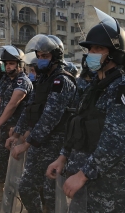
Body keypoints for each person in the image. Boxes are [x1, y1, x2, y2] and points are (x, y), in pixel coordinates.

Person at [46, 7, 125, 212]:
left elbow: (116, 142)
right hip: (82, 178)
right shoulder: (92, 87)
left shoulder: (124, 89)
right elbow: (77, 126)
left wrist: (83, 175)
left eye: (98, 49)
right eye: (90, 50)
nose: (91, 54)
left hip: (108, 185)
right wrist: (63, 157)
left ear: (114, 54)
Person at [9, 34, 76, 212]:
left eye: (45, 56)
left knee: (50, 194)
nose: (40, 60)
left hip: (55, 144)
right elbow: (30, 108)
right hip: (38, 143)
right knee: (27, 188)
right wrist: (17, 133)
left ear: (56, 56)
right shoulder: (42, 79)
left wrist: (25, 144)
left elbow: (50, 117)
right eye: (38, 56)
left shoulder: (62, 80)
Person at [0, 46, 32, 201]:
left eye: (11, 63)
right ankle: (1, 192)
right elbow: (0, 100)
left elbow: (12, 105)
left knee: (16, 163)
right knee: (2, 160)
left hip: (17, 129)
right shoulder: (5, 79)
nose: (8, 66)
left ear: (19, 65)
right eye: (6, 63)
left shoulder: (22, 81)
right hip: (5, 127)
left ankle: (14, 197)